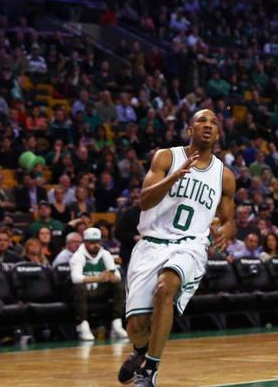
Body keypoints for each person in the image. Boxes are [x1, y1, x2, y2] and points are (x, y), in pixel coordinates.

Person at [117, 109, 236, 387]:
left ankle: (150, 371)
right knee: (136, 327)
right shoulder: (166, 158)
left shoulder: (224, 175)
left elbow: (229, 220)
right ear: (190, 129)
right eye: (201, 121)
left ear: (218, 134)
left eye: (213, 122)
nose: (208, 125)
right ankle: (140, 350)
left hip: (190, 245)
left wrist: (227, 231)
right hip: (151, 244)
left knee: (166, 287)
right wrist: (174, 177)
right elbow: (144, 201)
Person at [71, 227, 127, 342]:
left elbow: (117, 275)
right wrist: (99, 278)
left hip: (100, 290)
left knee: (119, 285)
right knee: (78, 287)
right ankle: (83, 326)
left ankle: (116, 324)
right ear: (85, 242)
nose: (95, 245)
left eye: (97, 242)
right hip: (85, 291)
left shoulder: (105, 254)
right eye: (92, 243)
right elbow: (75, 278)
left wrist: (112, 277)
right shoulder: (78, 256)